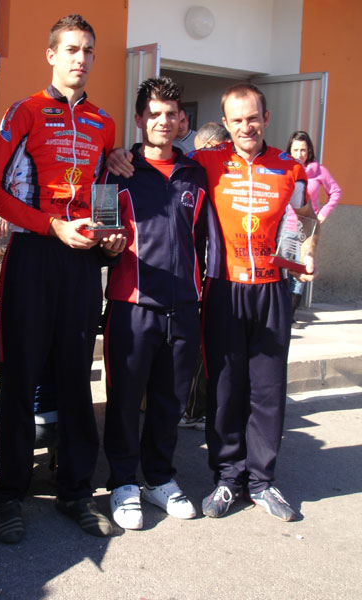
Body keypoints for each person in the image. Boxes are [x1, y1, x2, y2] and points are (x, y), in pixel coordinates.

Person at [107, 83, 319, 522]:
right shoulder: (175, 165)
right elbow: (106, 218)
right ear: (225, 124)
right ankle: (206, 478)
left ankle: (255, 481)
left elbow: (309, 214)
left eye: (253, 117)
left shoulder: (273, 166)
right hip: (192, 293)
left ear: (266, 116)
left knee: (255, 392)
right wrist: (117, 157)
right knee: (210, 390)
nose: (246, 125)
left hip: (254, 290)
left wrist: (308, 249)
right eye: (237, 119)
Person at [0, 14, 125, 543]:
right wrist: (50, 225)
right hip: (33, 254)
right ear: (51, 55)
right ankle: (10, 495)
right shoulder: (24, 111)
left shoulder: (104, 122)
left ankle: (74, 491)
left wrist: (111, 235)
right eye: (71, 49)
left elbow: (105, 187)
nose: (80, 59)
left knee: (74, 378)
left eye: (88, 50)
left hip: (80, 263)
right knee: (19, 378)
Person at [102, 76, 208, 530]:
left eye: (172, 114)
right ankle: (124, 482)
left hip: (184, 306)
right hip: (132, 305)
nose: (164, 122)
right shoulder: (116, 172)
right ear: (141, 119)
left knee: (170, 401)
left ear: (182, 120)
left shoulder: (196, 174)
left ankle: (160, 478)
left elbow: (205, 240)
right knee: (125, 399)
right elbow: (100, 231)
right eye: (155, 114)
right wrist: (106, 244)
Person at [178, 120, 231, 431]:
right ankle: (193, 409)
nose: (196, 159)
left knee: (210, 348)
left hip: (225, 276)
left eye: (202, 153)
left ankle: (200, 409)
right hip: (200, 276)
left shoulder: (228, 179)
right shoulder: (196, 178)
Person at [286, 130, 341, 319]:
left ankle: (290, 315)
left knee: (302, 271)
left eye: (303, 150)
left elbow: (335, 191)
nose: (300, 154)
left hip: (307, 229)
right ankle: (281, 314)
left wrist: (323, 214)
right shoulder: (286, 168)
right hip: (286, 228)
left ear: (309, 151)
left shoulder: (319, 171)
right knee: (284, 270)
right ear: (290, 151)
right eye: (296, 150)